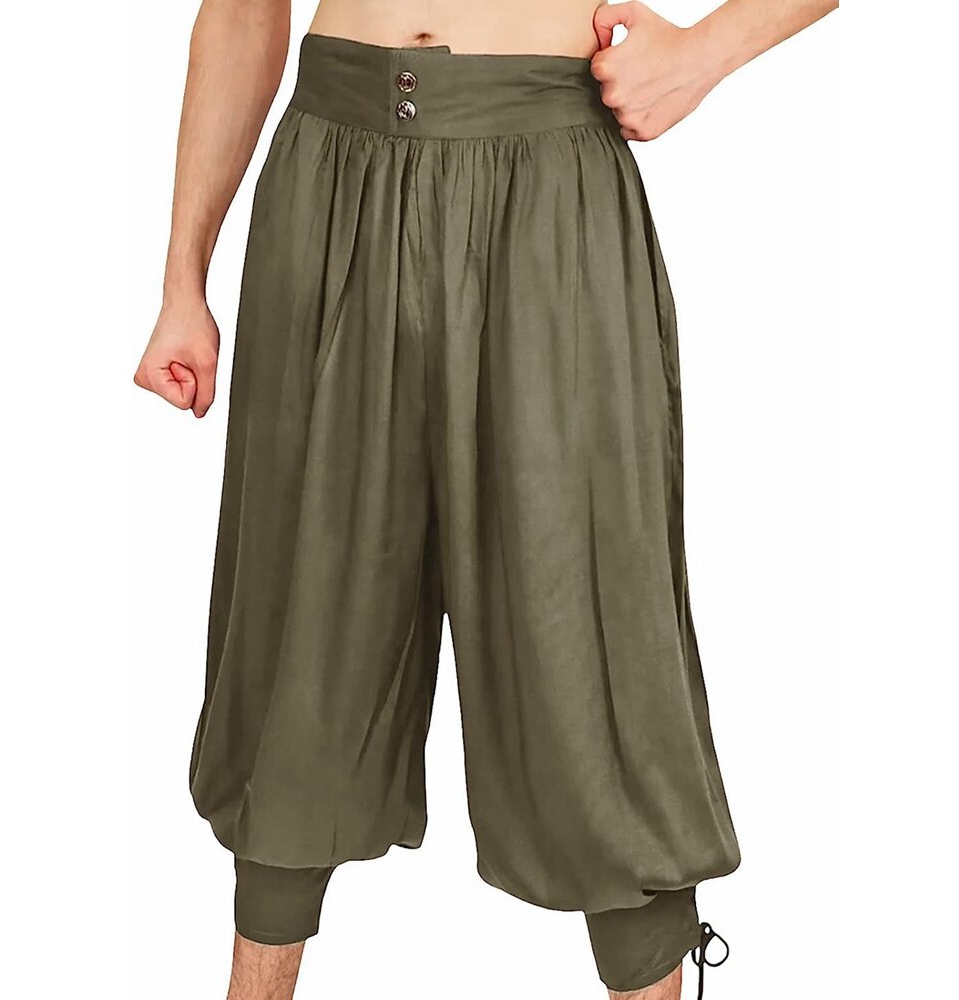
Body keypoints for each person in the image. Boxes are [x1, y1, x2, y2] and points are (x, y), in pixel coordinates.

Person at [134, 1, 837, 997]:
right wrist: (183, 279)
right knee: (297, 646)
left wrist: (707, 51)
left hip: (545, 183)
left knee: (590, 648)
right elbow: (245, 11)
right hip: (331, 175)